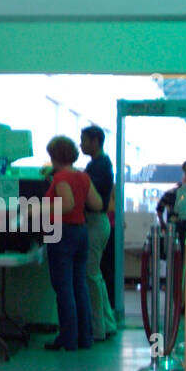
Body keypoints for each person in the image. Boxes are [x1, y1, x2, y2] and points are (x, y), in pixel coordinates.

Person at [43, 136, 103, 351]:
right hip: (81, 232)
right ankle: (84, 337)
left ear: (53, 155)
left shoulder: (60, 178)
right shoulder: (82, 176)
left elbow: (66, 205)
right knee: (80, 285)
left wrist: (36, 210)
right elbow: (97, 204)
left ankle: (68, 338)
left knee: (63, 287)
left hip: (61, 232)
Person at [79, 126, 119, 342]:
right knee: (96, 275)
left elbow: (90, 195)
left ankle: (98, 328)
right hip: (97, 223)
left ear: (96, 141)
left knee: (91, 275)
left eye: (84, 140)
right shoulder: (97, 165)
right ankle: (107, 321)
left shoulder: (100, 166)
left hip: (96, 222)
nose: (81, 144)